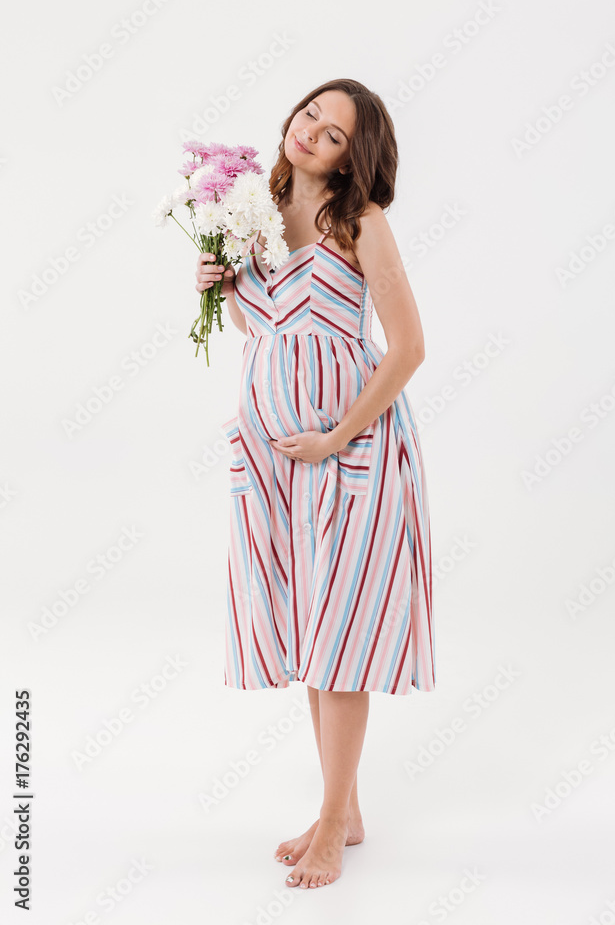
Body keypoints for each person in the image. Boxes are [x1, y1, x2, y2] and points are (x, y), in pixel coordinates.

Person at [194, 78, 435, 891]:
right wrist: (221, 286)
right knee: (309, 636)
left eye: (333, 133)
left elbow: (406, 348)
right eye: (310, 114)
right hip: (272, 459)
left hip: (346, 456)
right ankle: (348, 806)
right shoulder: (254, 214)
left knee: (340, 647)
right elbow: (263, 326)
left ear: (351, 156)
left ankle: (332, 822)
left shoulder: (358, 223)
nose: (311, 132)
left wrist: (337, 436)